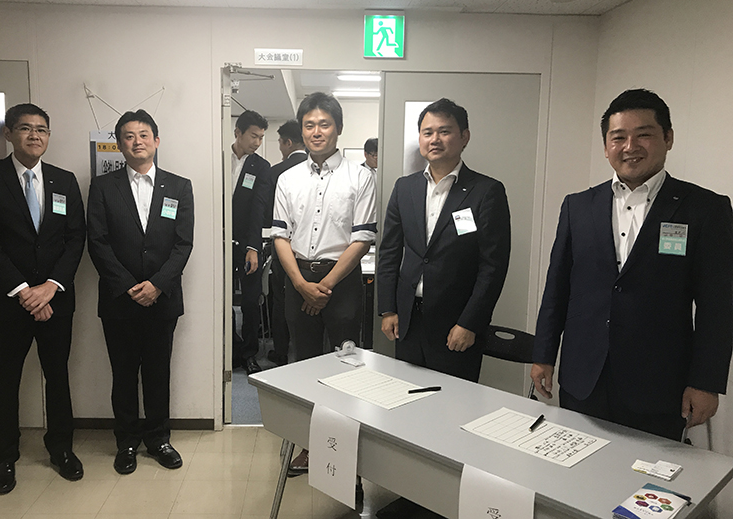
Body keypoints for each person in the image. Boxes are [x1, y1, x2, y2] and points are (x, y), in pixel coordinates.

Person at [532, 89, 733, 441]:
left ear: (668, 138)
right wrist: (543, 354)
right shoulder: (578, 206)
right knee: (577, 464)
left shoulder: (705, 209)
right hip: (584, 377)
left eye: (644, 135)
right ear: (606, 146)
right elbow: (557, 288)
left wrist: (705, 382)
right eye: (618, 137)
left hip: (659, 384)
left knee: (646, 473)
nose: (630, 146)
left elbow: (718, 304)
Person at [0, 103, 86, 494]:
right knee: (7, 379)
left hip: (56, 300)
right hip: (6, 302)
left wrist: (51, 286)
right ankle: (4, 457)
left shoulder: (64, 181)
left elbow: (75, 239)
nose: (34, 135)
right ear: (9, 134)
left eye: (41, 129)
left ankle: (61, 449)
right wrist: (23, 291)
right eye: (25, 128)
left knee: (58, 376)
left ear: (49, 136)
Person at [272, 92, 376, 474]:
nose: (317, 132)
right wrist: (301, 284)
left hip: (341, 281)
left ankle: (342, 448)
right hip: (297, 278)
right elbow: (280, 236)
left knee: (345, 366)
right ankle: (307, 445)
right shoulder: (287, 178)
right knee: (303, 363)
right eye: (309, 125)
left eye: (324, 124)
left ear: (338, 128)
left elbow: (362, 238)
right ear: (302, 131)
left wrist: (325, 286)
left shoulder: (360, 177)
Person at [87, 109, 194, 473]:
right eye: (129, 136)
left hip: (162, 300)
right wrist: (129, 285)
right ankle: (127, 442)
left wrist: (157, 285)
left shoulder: (179, 186)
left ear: (156, 141)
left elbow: (183, 244)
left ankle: (159, 439)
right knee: (123, 375)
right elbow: (97, 242)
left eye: (144, 135)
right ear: (119, 145)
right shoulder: (103, 187)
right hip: (119, 300)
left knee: (158, 373)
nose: (137, 142)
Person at [377, 98, 511, 382]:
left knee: (454, 401)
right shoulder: (405, 188)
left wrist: (470, 323)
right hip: (408, 320)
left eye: (444, 131)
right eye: (427, 132)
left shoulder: (486, 191)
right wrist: (388, 309)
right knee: (405, 395)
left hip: (456, 324)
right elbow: (389, 252)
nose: (434, 139)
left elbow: (493, 266)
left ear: (464, 137)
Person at [230, 110, 271, 374]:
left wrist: (253, 248)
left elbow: (259, 209)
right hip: (220, 242)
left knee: (250, 300)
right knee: (221, 300)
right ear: (238, 133)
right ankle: (230, 348)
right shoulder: (219, 159)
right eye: (253, 136)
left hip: (248, 245)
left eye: (261, 137)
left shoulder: (261, 167)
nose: (257, 142)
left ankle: (249, 354)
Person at [266, 119, 307, 366]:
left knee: (281, 298)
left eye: (280, 143)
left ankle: (281, 351)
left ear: (288, 142)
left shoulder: (275, 172)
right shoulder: (319, 170)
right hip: (310, 251)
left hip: (283, 245)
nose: (281, 148)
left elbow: (268, 215)